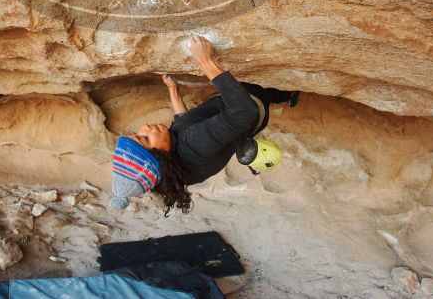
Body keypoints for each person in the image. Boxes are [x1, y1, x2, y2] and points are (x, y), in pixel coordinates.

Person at [110, 35, 300, 214]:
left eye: (138, 133)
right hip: (250, 103)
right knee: (264, 89)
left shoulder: (172, 167)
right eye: (144, 138)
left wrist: (173, 90)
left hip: (225, 112)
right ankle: (287, 93)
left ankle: (288, 96)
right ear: (160, 158)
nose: (145, 128)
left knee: (270, 93)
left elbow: (182, 122)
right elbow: (244, 112)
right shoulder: (195, 145)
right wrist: (205, 61)